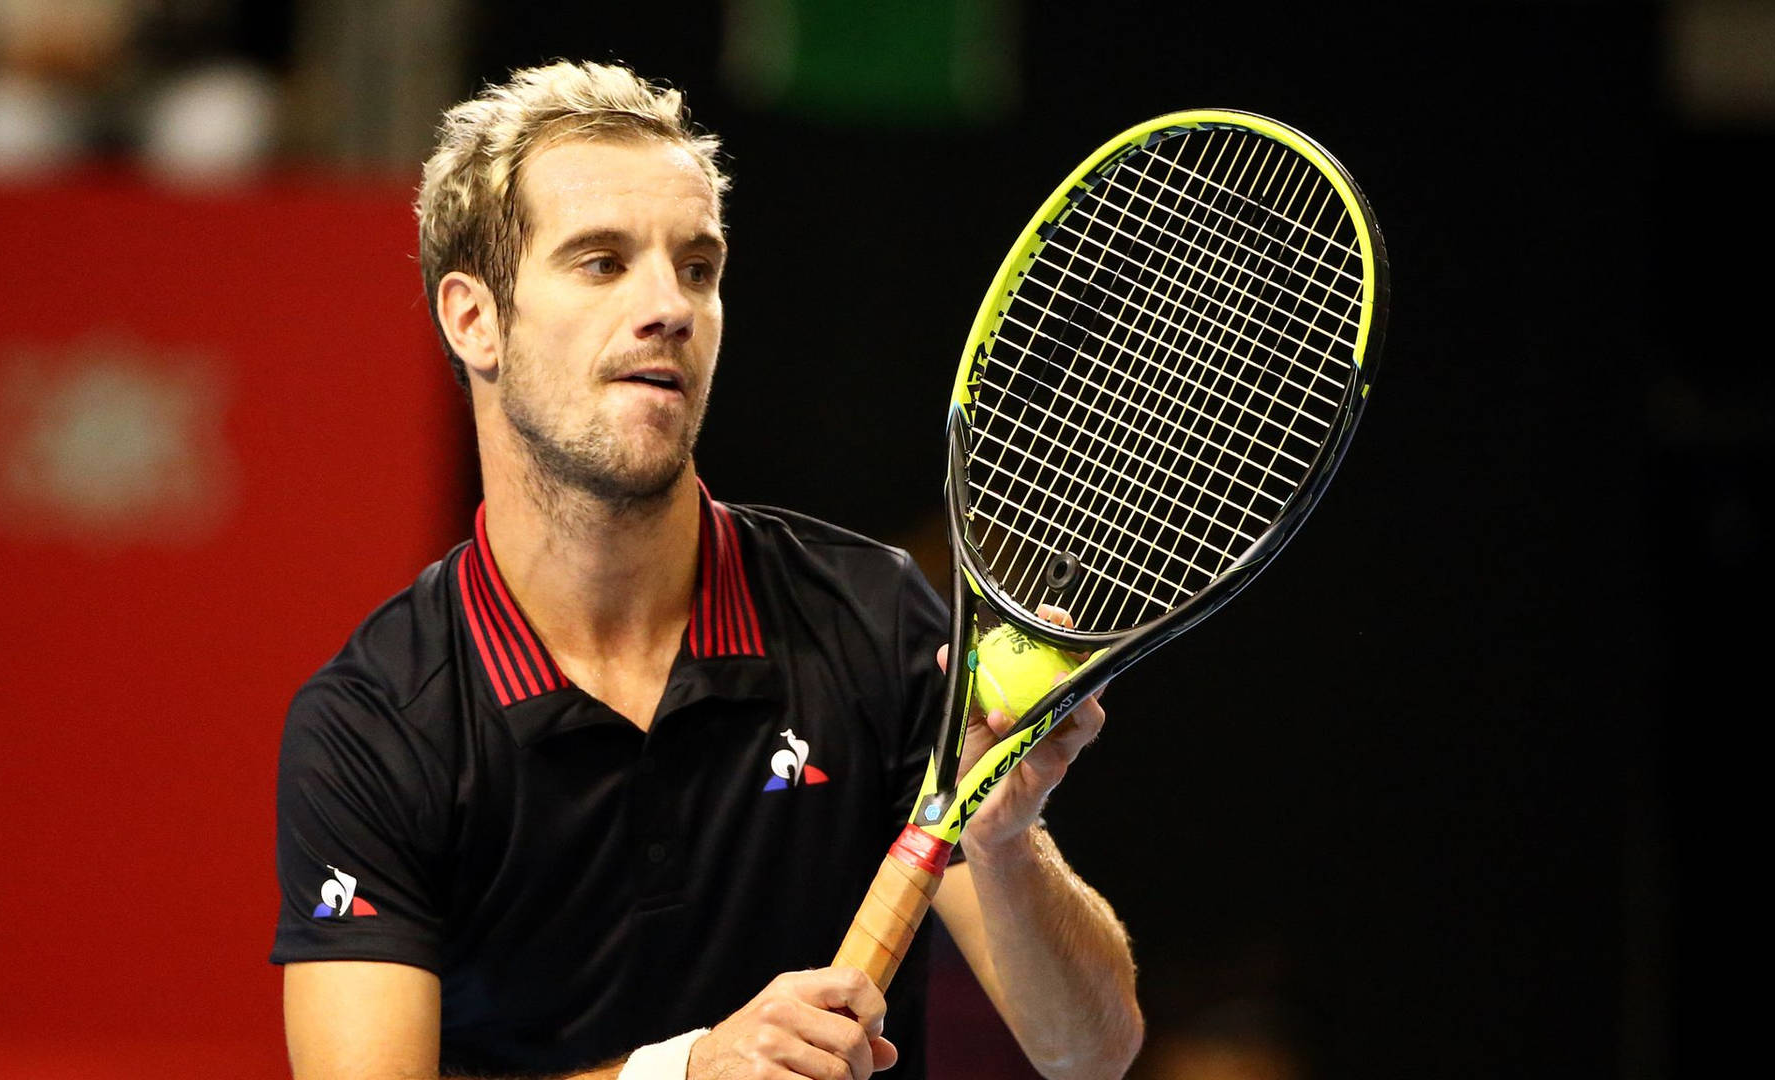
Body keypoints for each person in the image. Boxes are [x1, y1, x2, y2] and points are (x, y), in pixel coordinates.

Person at [271, 60, 1142, 1080]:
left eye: (697, 266)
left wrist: (1006, 848)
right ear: (474, 320)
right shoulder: (375, 723)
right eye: (601, 263)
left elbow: (1093, 1053)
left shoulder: (868, 620)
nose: (669, 307)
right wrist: (680, 1074)